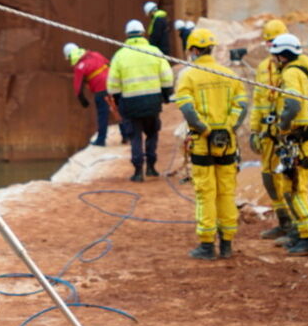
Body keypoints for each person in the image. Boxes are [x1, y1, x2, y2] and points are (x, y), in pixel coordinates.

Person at [174, 29, 248, 260]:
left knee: (205, 193)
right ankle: (226, 244)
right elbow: (242, 106)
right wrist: (227, 129)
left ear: (193, 50)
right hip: (227, 144)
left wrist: (205, 130)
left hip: (202, 144)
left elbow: (187, 109)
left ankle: (207, 245)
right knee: (226, 192)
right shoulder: (229, 74)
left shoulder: (189, 75)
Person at [269, 33, 308, 254]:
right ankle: (300, 233)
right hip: (304, 139)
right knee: (292, 187)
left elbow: (292, 104)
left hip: (299, 141)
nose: (273, 60)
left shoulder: (291, 73)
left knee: (297, 190)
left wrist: (282, 125)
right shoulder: (304, 72)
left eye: (275, 55)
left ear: (283, 56)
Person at [107, 19, 174, 182]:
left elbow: (112, 84)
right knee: (152, 133)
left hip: (130, 103)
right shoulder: (154, 51)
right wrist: (166, 95)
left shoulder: (120, 55)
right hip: (152, 102)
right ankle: (151, 167)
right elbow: (167, 76)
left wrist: (117, 99)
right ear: (143, 33)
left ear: (127, 35)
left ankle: (138, 171)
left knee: (135, 136)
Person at [249, 19, 293, 239]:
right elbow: (258, 100)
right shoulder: (263, 68)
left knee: (288, 179)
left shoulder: (296, 67)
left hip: (288, 133)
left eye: (274, 42)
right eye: (268, 43)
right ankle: (283, 221)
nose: (271, 47)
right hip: (268, 134)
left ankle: (297, 226)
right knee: (269, 177)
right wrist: (254, 130)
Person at [63, 42, 113, 146]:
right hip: (113, 84)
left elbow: (78, 88)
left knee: (102, 114)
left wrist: (83, 101)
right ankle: (126, 136)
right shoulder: (95, 54)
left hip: (101, 89)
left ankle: (101, 140)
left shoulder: (79, 67)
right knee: (117, 109)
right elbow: (109, 64)